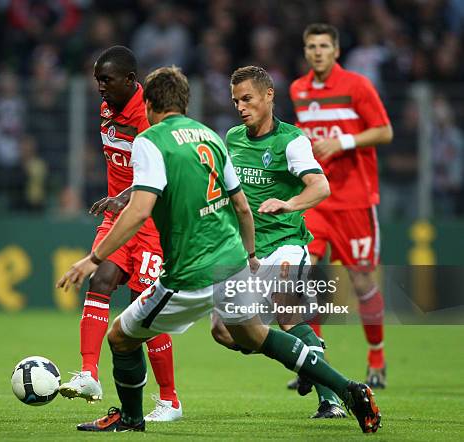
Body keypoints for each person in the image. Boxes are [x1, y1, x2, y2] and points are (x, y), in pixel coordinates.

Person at [57, 66, 381, 434]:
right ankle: (349, 388)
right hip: (234, 261)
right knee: (249, 335)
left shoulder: (151, 140)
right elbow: (242, 206)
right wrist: (249, 255)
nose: (241, 107)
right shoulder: (211, 136)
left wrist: (93, 258)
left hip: (192, 273)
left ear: (147, 103)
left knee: (120, 335)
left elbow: (141, 212)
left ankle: (132, 418)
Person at [209, 65, 347, 419]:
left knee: (287, 314)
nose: (240, 107)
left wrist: (289, 203)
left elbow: (320, 186)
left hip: (286, 242)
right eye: (235, 100)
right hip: (247, 251)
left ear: (269, 95)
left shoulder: (291, 140)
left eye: (247, 99)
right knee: (223, 331)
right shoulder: (233, 138)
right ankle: (304, 359)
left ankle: (331, 400)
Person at [57, 46, 182, 422]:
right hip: (118, 218)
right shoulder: (107, 109)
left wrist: (125, 197)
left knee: (144, 310)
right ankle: (89, 375)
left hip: (151, 222)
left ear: (131, 80)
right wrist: (118, 201)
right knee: (101, 280)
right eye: (97, 80)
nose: (100, 87)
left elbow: (162, 173)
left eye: (106, 80)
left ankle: (170, 400)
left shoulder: (150, 116)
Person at [289, 23, 393, 389]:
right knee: (303, 276)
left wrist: (344, 141)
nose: (317, 52)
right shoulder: (298, 89)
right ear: (305, 51)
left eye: (323, 46)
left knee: (362, 280)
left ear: (336, 51)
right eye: (311, 46)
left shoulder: (357, 86)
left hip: (355, 201)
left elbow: (384, 131)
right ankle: (314, 360)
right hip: (318, 199)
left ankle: (376, 358)